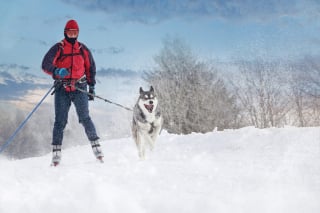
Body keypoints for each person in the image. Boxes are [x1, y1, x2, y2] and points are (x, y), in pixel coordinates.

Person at [42, 19, 103, 166]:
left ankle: (97, 148)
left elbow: (91, 68)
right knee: (60, 121)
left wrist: (92, 87)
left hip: (79, 87)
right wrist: (57, 71)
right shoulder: (59, 48)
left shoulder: (83, 49)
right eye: (70, 32)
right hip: (62, 88)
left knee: (85, 118)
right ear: (65, 32)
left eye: (75, 32)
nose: (73, 35)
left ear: (78, 33)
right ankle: (56, 155)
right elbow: (45, 64)